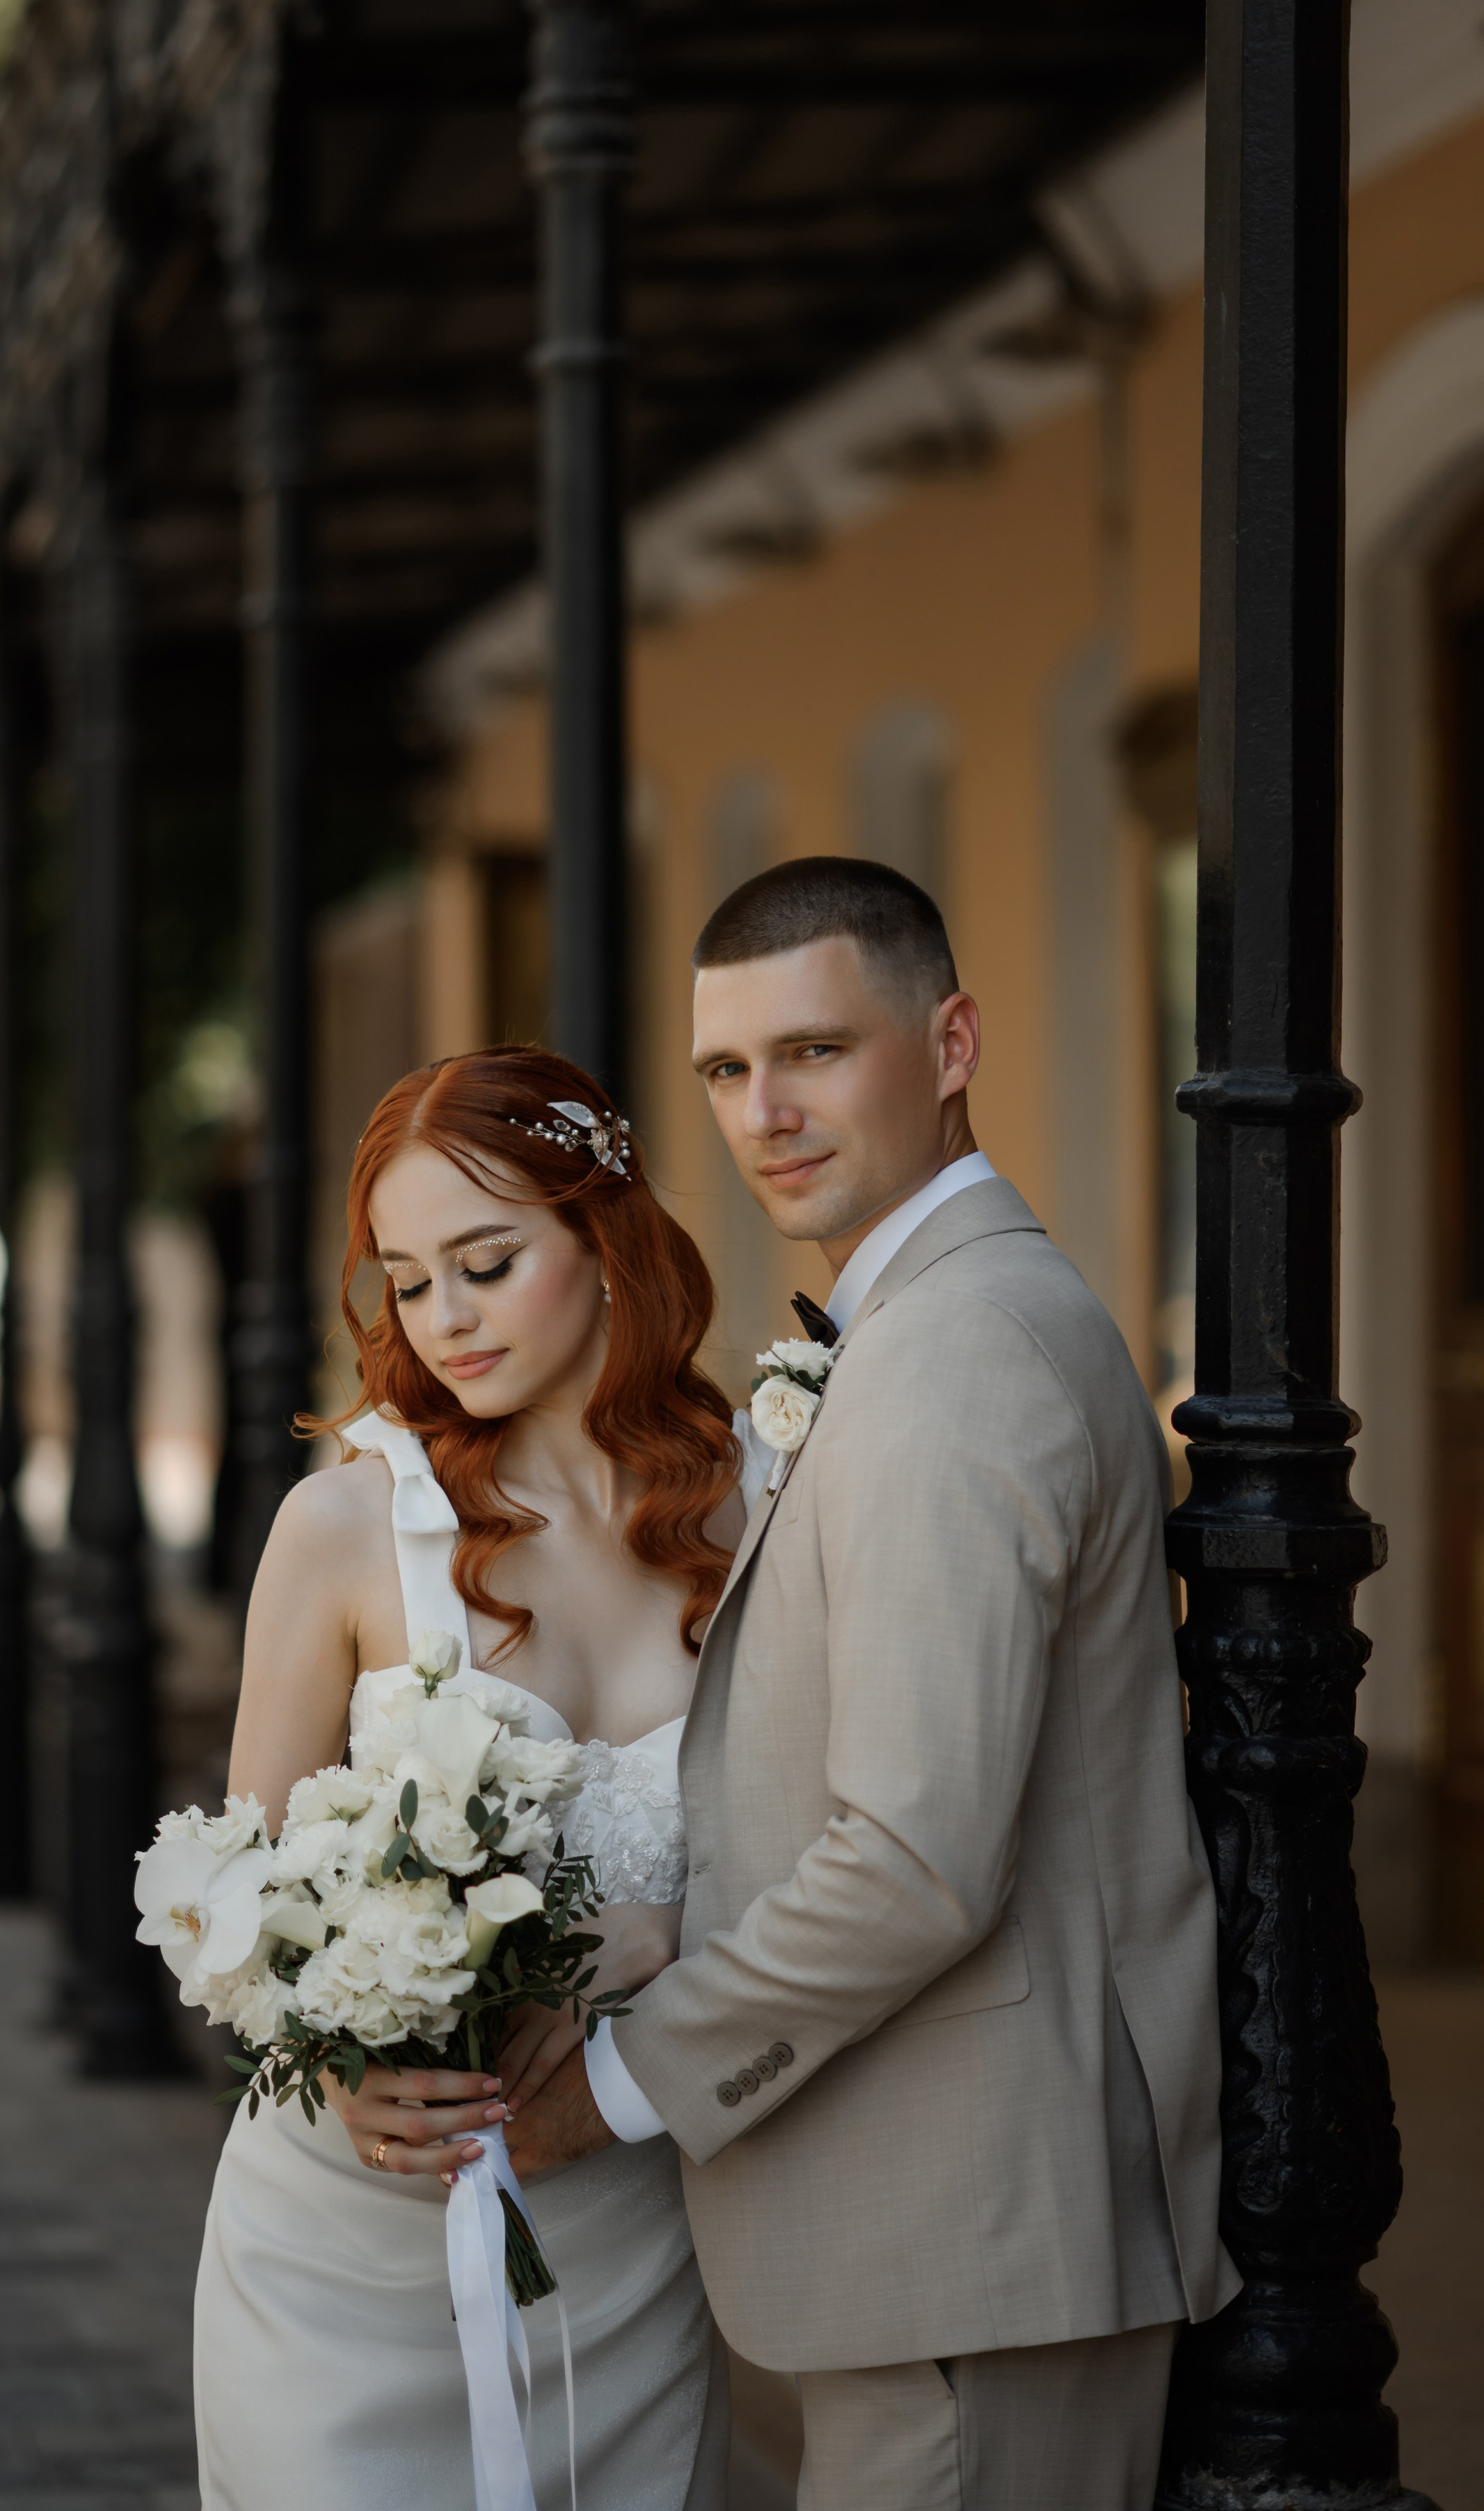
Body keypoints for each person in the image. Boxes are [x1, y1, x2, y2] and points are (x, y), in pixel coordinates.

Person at [508, 855, 1239, 2511]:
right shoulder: (909, 1323)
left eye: (816, 1052)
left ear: (952, 1040)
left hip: (969, 2244)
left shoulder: (957, 1354)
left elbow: (914, 1859)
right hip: (917, 2238)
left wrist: (614, 2088)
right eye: (723, 1069)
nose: (762, 1111)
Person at [192, 1044, 739, 2511]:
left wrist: (672, 1937)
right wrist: (334, 2061)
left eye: (486, 1264)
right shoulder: (343, 1527)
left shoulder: (759, 1504)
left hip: (625, 2226)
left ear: (603, 1238)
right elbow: (224, 1891)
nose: (444, 1321)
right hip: (349, 2236)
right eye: (408, 1279)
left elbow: (840, 1838)